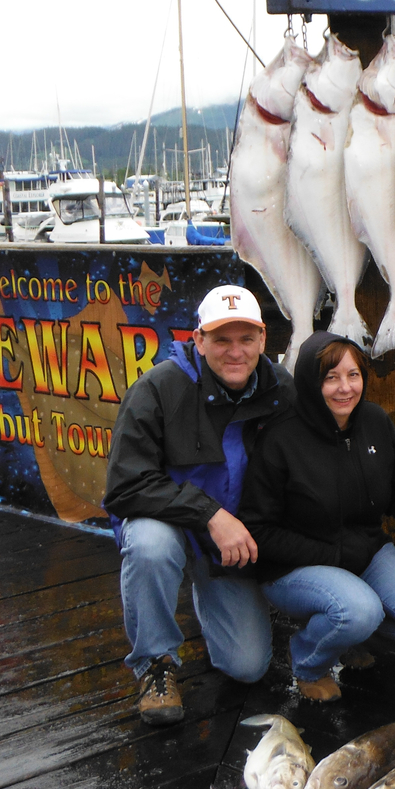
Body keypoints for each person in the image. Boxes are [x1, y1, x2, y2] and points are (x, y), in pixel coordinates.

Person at [239, 332, 395, 701]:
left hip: (364, 552)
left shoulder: (375, 421)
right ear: (310, 381)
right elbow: (259, 531)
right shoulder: (279, 438)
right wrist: (332, 556)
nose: (344, 388)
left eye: (353, 375)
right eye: (330, 377)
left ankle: (344, 636)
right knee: (357, 609)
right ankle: (309, 661)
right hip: (291, 568)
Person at [104, 285, 294, 726]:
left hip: (229, 545)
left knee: (247, 667)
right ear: (198, 340)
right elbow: (124, 486)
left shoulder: (281, 388)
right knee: (150, 545)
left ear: (264, 340)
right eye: (221, 339)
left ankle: (206, 593)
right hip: (171, 524)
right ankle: (155, 665)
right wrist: (209, 515)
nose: (235, 351)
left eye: (246, 339)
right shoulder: (156, 389)